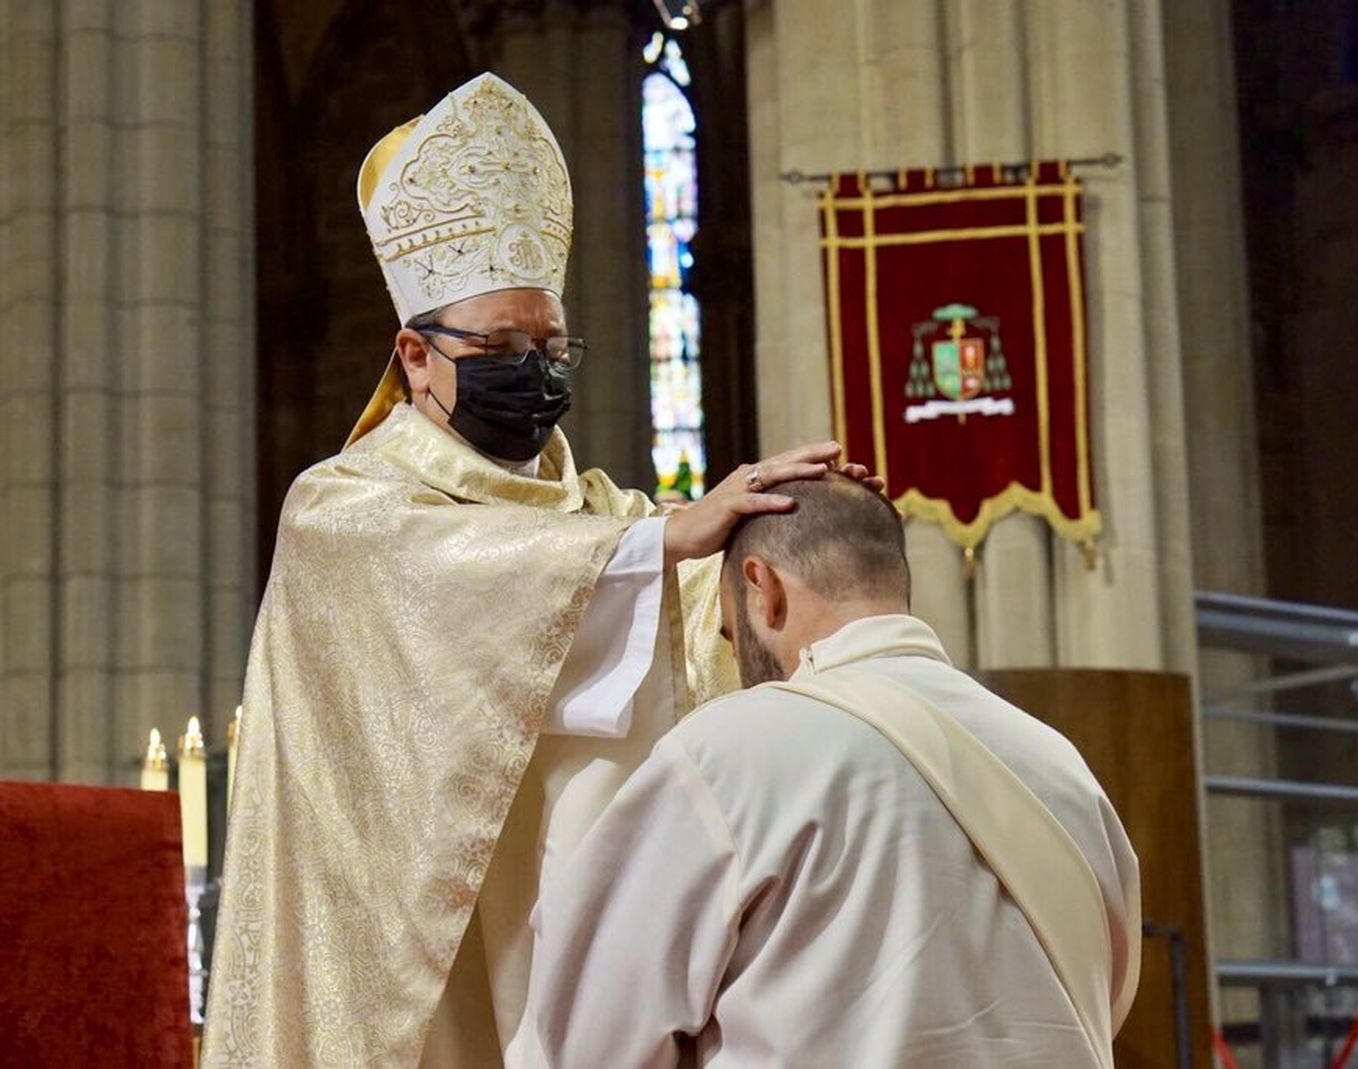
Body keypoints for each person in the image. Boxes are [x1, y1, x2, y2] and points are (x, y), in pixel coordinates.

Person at [203, 74, 876, 1068]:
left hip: (573, 971)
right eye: (507, 345)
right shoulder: (341, 510)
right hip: (412, 990)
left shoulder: (604, 520)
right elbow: (455, 579)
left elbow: (703, 629)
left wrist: (785, 540)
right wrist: (664, 545)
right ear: (415, 354)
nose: (539, 369)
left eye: (554, 344)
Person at [530, 475, 1142, 1067]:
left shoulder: (726, 752)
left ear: (761, 587)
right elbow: (1104, 999)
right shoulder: (1059, 762)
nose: (734, 653)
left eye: (725, 630)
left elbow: (589, 1035)